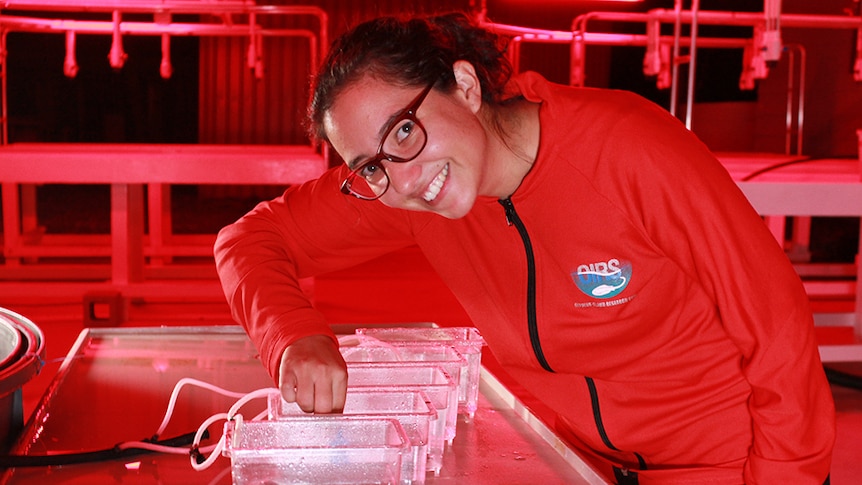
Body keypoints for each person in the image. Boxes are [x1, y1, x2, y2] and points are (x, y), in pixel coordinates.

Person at [214, 11, 835, 484]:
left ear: (464, 84)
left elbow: (777, 329)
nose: (401, 178)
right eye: (368, 164)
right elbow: (248, 240)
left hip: (732, 462)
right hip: (581, 463)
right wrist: (295, 334)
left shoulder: (627, 149)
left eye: (404, 130)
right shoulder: (413, 195)